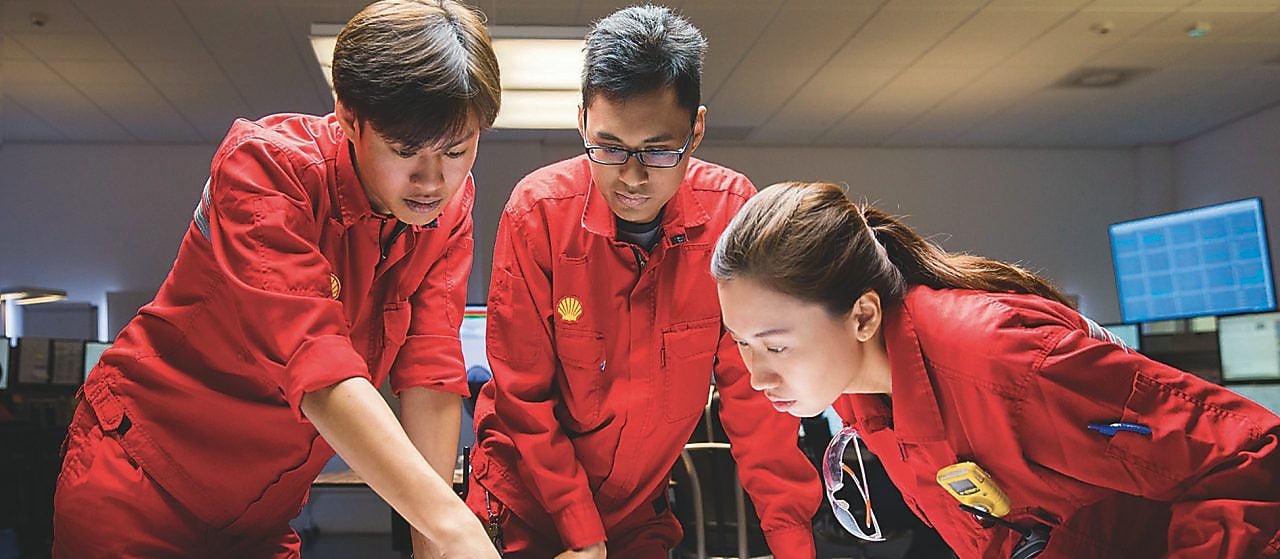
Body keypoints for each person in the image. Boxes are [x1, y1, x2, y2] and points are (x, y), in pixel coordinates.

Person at [52, 2, 502, 557]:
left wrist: (434, 544)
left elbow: (430, 368)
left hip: (262, 513)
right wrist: (457, 530)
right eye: (405, 151)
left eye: (457, 151)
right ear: (349, 116)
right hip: (142, 481)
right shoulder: (266, 167)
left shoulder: (447, 208)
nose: (433, 180)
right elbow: (317, 366)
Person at [711, 180, 1280, 558]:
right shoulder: (864, 394)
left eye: (776, 346)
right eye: (740, 344)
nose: (757, 377)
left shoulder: (1003, 364)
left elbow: (1251, 459)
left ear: (862, 315)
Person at [466, 6, 821, 558]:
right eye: (609, 148)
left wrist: (793, 541)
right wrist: (582, 537)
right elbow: (523, 398)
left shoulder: (731, 215)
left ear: (696, 129)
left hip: (638, 512)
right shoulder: (537, 214)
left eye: (658, 150)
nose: (632, 177)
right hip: (526, 504)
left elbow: (757, 396)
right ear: (582, 120)